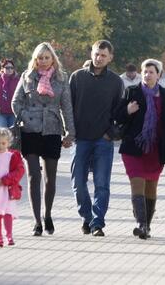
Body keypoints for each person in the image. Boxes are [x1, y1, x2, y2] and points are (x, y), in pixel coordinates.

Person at [12, 42, 75, 236]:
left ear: (52, 59)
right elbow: (16, 102)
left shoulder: (61, 79)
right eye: (40, 58)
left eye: (47, 57)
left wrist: (70, 133)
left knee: (50, 177)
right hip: (30, 130)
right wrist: (26, 115)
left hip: (52, 130)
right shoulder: (27, 77)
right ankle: (37, 221)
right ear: (35, 59)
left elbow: (67, 107)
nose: (43, 61)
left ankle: (47, 214)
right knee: (33, 176)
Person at [69, 40, 124, 237]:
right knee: (78, 182)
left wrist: (111, 134)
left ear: (110, 57)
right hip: (80, 139)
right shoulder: (77, 78)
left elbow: (120, 113)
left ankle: (97, 222)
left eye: (103, 55)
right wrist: (69, 131)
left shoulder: (116, 82)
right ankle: (87, 217)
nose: (98, 58)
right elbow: (67, 108)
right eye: (96, 54)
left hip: (103, 140)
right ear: (91, 53)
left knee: (102, 184)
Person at [115, 59, 165, 239]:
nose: (147, 75)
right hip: (134, 147)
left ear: (159, 75)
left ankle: (147, 226)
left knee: (151, 186)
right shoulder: (132, 91)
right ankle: (141, 224)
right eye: (145, 72)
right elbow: (117, 116)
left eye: (151, 72)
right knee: (137, 183)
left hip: (156, 148)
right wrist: (127, 110)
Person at [0, 58, 20, 129]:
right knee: (1, 135)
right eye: (7, 68)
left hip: (13, 113)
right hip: (0, 114)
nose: (10, 69)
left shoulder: (18, 81)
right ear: (2, 69)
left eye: (12, 68)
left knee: (12, 137)